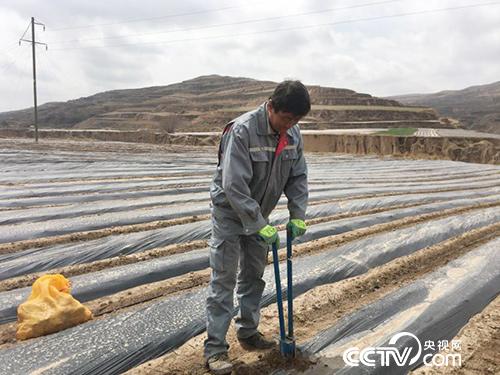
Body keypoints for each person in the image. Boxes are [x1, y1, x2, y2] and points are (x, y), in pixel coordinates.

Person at [204, 80, 311, 374]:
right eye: (287, 119)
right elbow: (233, 185)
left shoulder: (292, 134)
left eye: (296, 121)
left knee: (254, 276)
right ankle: (215, 350)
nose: (290, 126)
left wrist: (297, 213)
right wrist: (257, 221)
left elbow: (298, 176)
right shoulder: (242, 130)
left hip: (259, 216)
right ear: (272, 107)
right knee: (223, 280)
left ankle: (248, 332)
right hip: (229, 213)